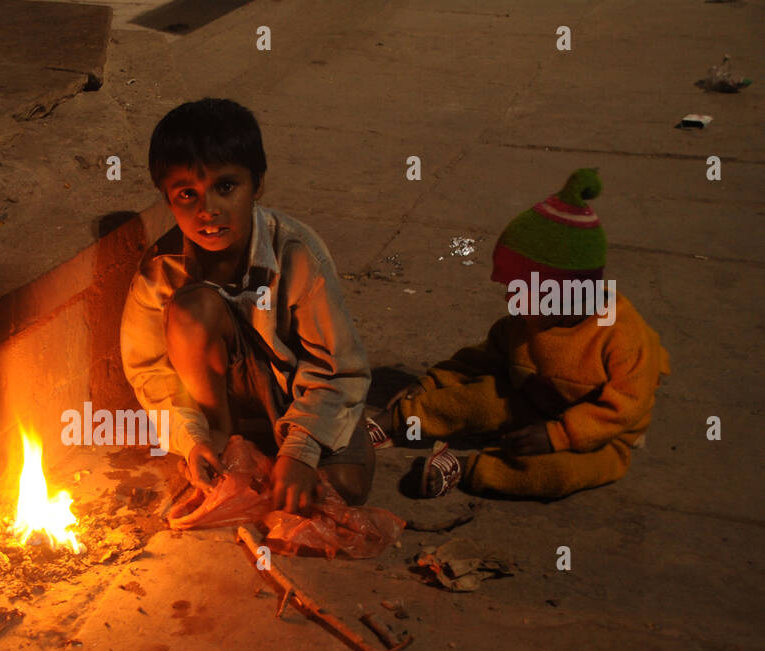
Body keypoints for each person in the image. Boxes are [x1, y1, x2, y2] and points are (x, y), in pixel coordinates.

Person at [120, 98, 374, 511]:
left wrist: (301, 451)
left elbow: (339, 366)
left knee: (343, 488)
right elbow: (148, 370)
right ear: (168, 201)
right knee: (192, 308)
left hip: (294, 400)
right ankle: (224, 440)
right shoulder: (159, 272)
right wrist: (193, 439)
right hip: (224, 410)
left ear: (257, 186)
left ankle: (322, 434)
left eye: (225, 187)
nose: (208, 210)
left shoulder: (297, 250)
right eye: (187, 194)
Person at [375, 168, 670, 499]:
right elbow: (479, 359)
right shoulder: (526, 322)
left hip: (601, 436)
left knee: (559, 474)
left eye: (523, 290)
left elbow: (622, 409)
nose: (511, 299)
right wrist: (428, 383)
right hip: (529, 402)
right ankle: (394, 421)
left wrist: (557, 436)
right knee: (477, 398)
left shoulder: (623, 336)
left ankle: (466, 469)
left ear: (571, 291)